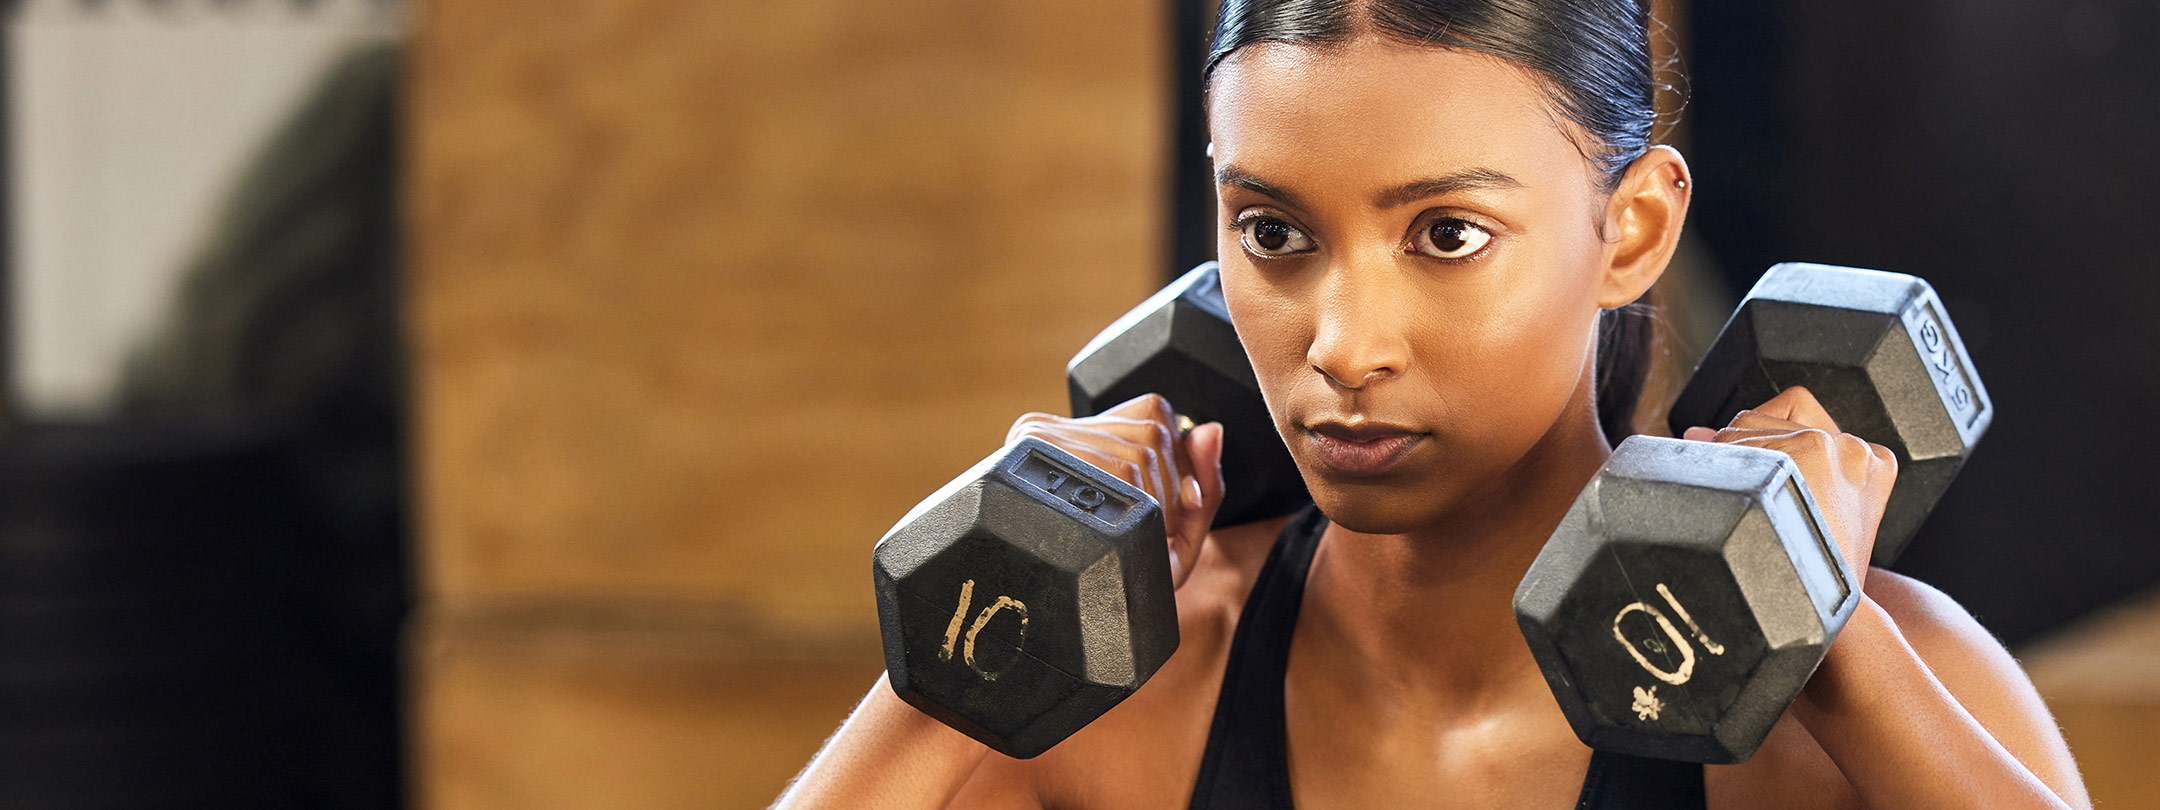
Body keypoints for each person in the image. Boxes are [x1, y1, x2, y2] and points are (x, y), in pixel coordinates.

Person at [775, 0, 2090, 807]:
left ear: (1632, 230)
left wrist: (1836, 651)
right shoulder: (1121, 697)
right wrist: (952, 667)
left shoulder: (1875, 696)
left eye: (1447, 234)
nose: (1344, 345)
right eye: (1274, 233)